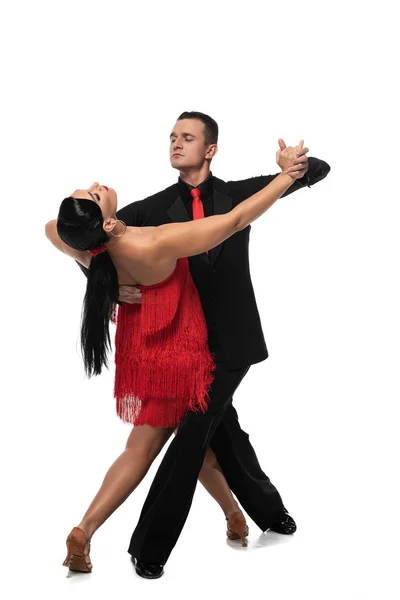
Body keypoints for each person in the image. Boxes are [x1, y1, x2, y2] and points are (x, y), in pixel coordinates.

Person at [45, 142, 307, 573]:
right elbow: (236, 219)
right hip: (183, 357)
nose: (97, 185)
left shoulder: (91, 247)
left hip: (142, 356)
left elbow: (53, 228)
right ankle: (92, 528)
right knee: (154, 446)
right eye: (93, 194)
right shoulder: (155, 241)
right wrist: (286, 177)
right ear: (108, 220)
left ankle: (232, 516)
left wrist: (101, 277)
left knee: (196, 441)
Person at [110, 112, 330, 579]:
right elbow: (94, 243)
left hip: (232, 342)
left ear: (210, 149)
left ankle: (149, 548)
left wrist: (295, 165)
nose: (175, 143)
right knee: (225, 434)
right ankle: (270, 514)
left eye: (187, 138)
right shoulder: (151, 208)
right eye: (172, 136)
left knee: (191, 436)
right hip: (179, 345)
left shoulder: (239, 194)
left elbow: (320, 170)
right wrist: (110, 288)